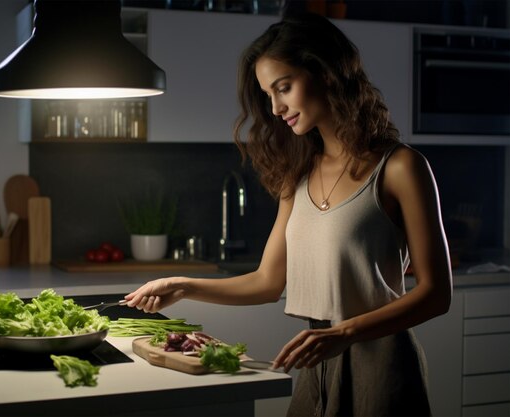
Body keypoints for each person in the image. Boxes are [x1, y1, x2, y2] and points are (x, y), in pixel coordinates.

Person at [125, 12, 452, 417]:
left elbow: (437, 294)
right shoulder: (297, 175)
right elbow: (267, 281)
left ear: (325, 72)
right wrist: (185, 285)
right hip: (317, 358)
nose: (276, 107)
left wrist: (345, 331)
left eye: (284, 87)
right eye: (268, 94)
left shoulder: (401, 167)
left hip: (383, 366)